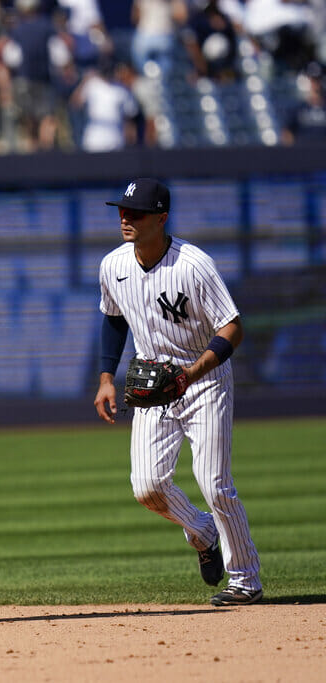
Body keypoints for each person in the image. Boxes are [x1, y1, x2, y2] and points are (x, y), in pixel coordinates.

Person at [93, 178, 263, 607]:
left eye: (136, 212)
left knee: (215, 482)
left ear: (162, 218)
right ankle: (204, 533)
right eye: (122, 210)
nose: (125, 217)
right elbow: (113, 318)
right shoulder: (113, 265)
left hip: (203, 379)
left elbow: (232, 327)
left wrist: (195, 370)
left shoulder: (193, 264)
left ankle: (245, 579)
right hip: (153, 382)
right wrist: (105, 378)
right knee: (147, 486)